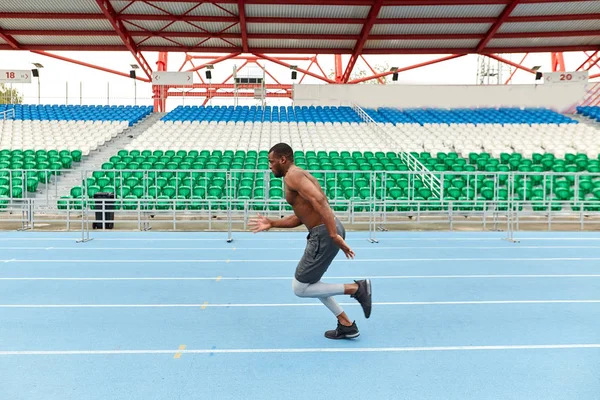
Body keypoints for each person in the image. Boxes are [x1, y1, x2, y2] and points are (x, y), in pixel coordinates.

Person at [249, 143, 371, 339]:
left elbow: (320, 200)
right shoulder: (297, 176)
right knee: (312, 284)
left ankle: (356, 288)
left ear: (283, 159)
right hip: (325, 229)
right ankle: (346, 324)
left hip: (323, 233)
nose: (269, 167)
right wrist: (271, 223)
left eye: (271, 162)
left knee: (300, 287)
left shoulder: (293, 176)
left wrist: (333, 235)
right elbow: (300, 217)